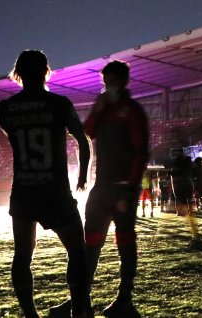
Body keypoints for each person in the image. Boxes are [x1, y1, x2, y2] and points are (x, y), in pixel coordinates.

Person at [0, 50, 92, 318]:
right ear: (45, 71)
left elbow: (12, 133)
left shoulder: (5, 108)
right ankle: (78, 310)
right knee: (77, 250)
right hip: (55, 191)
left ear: (18, 74)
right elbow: (83, 140)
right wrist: (83, 176)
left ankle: (31, 314)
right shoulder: (59, 103)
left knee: (22, 256)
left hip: (24, 191)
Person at [78, 60, 150, 317]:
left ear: (123, 81)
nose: (108, 86)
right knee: (90, 243)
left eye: (112, 81)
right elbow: (86, 133)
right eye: (105, 81)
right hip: (101, 187)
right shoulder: (104, 108)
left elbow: (141, 152)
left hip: (122, 189)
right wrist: (98, 109)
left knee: (125, 242)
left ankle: (124, 298)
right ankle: (80, 298)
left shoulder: (132, 110)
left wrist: (130, 188)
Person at [169, 155, 199, 246]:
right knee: (189, 213)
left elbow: (174, 183)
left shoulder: (174, 170)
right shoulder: (186, 169)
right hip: (187, 190)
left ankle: (195, 235)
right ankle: (195, 234)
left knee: (186, 213)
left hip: (181, 192)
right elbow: (192, 178)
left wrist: (175, 197)